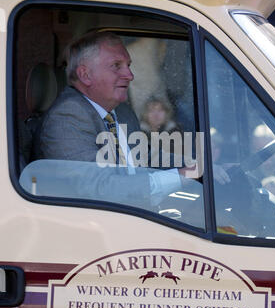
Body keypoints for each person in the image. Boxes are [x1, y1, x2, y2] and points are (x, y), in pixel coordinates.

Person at [28, 31, 202, 212]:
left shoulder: (121, 111)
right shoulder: (66, 118)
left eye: (128, 65)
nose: (129, 75)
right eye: (116, 66)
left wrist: (195, 165)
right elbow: (99, 188)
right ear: (85, 75)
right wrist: (181, 175)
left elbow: (143, 156)